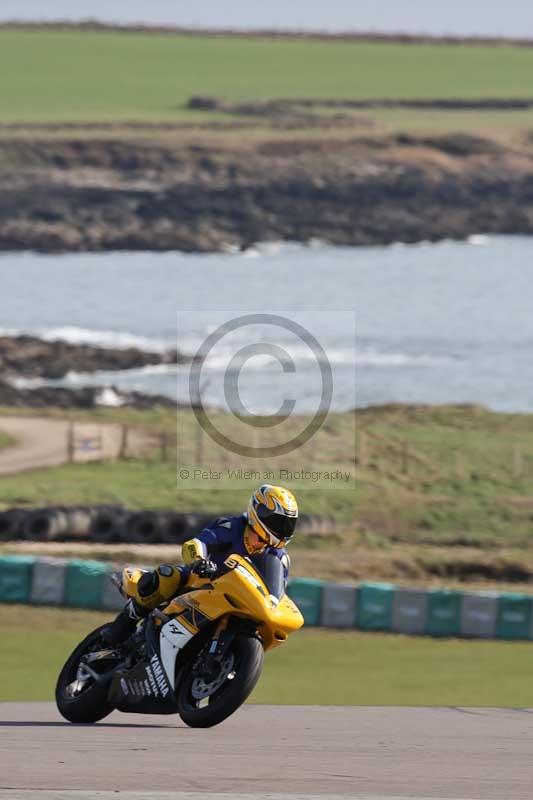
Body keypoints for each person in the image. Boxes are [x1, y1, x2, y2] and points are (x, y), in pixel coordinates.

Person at [103, 484, 298, 644]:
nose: (283, 530)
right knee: (166, 576)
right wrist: (199, 561)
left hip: (236, 600)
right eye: (279, 522)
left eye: (288, 524)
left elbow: (276, 589)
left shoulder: (279, 557)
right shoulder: (232, 527)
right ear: (260, 513)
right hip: (199, 581)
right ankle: (118, 631)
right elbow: (197, 544)